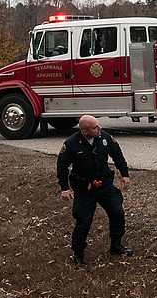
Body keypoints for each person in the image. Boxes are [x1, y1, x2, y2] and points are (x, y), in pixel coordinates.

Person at [57, 115, 133, 268]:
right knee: (84, 221)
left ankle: (116, 245)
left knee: (117, 213)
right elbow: (62, 166)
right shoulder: (71, 143)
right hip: (84, 189)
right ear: (85, 131)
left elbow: (117, 154)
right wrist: (65, 188)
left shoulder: (104, 138)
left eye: (99, 125)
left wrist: (124, 174)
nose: (100, 129)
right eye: (95, 128)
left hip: (104, 185)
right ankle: (78, 254)